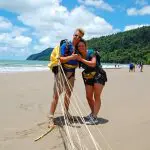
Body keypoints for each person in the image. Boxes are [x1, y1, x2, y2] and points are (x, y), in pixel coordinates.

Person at [48, 28, 85, 127]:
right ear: (73, 35)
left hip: (72, 74)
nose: (77, 37)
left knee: (68, 94)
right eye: (76, 35)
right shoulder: (66, 45)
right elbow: (60, 59)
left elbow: (79, 61)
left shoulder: (79, 48)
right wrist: (71, 57)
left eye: (79, 37)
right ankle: (51, 118)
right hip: (62, 73)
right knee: (56, 95)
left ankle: (66, 113)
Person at [76, 39, 107, 125]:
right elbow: (72, 64)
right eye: (79, 46)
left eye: (82, 45)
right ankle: (93, 113)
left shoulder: (91, 53)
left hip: (99, 75)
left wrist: (81, 60)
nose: (81, 47)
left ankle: (94, 117)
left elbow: (93, 63)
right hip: (88, 76)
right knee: (88, 96)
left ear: (86, 46)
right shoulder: (78, 56)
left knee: (96, 96)